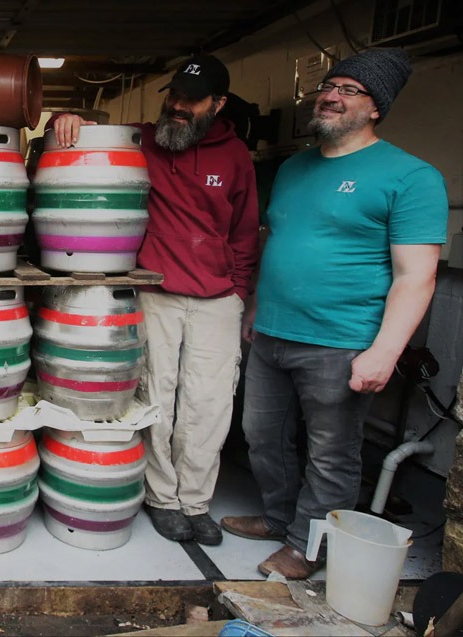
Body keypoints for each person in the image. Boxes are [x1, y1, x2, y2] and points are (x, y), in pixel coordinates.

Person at [220, 48, 448, 579]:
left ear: (376, 108)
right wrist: (255, 305)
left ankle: (308, 545)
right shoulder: (296, 167)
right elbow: (278, 241)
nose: (330, 95)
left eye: (349, 90)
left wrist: (385, 351)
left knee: (332, 453)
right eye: (328, 86)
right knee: (261, 435)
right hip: (273, 331)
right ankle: (279, 519)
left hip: (341, 340)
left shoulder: (410, 176)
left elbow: (418, 276)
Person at [51, 55, 259, 546]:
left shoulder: (235, 157)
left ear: (218, 104)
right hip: (155, 292)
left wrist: (239, 294)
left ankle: (196, 501)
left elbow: (246, 233)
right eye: (175, 97)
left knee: (208, 406)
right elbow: (96, 140)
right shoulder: (144, 140)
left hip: (216, 298)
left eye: (192, 100)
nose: (179, 107)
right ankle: (163, 498)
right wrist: (73, 119)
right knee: (155, 398)